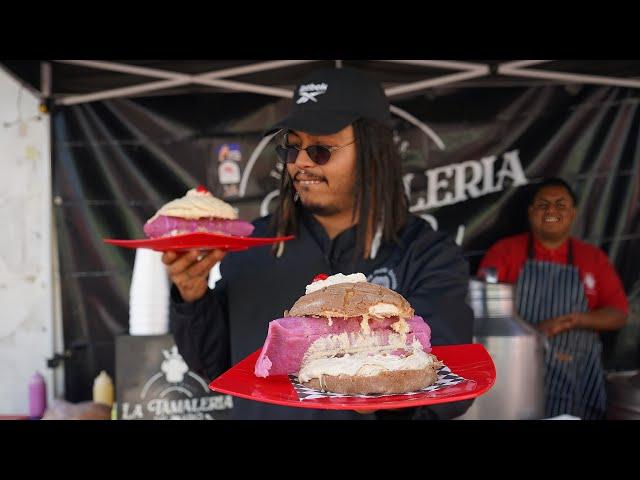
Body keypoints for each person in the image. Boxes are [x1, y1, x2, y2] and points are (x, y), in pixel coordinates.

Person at [164, 67, 474, 419]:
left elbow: (449, 393)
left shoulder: (426, 254)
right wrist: (192, 297)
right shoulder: (254, 244)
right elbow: (216, 364)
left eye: (321, 149)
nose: (301, 163)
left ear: (374, 150)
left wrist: (371, 384)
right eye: (292, 148)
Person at [479, 178, 628, 419]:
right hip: (518, 366)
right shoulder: (504, 251)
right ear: (530, 212)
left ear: (573, 213)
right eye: (543, 204)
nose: (551, 210)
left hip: (576, 372)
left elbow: (618, 315)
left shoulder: (592, 258)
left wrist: (572, 320)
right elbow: (483, 308)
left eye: (560, 205)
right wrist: (531, 335)